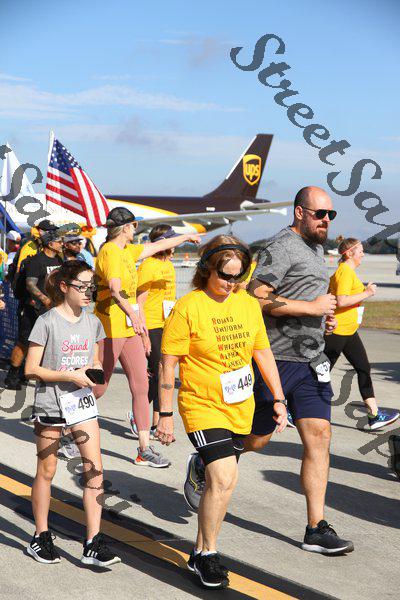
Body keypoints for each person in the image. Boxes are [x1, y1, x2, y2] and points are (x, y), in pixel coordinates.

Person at [185, 187, 355, 556]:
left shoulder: (316, 248)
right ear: (300, 212)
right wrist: (310, 309)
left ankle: (315, 527)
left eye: (331, 214)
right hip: (274, 360)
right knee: (257, 440)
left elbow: (306, 299)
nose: (326, 220)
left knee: (320, 436)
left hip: (311, 362)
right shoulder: (281, 247)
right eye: (320, 214)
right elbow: (257, 296)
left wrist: (320, 320)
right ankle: (206, 459)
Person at [157, 235, 286, 589]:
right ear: (206, 270)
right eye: (225, 276)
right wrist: (165, 413)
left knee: (221, 484)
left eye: (238, 276)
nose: (231, 283)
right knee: (225, 476)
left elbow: (262, 352)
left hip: (240, 406)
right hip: (202, 405)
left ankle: (200, 550)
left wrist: (279, 398)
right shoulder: (188, 307)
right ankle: (210, 554)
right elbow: (168, 364)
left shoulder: (247, 304)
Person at [24, 260, 120, 567]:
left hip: (81, 404)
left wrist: (92, 373)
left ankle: (93, 542)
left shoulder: (93, 322)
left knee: (95, 471)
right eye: (82, 287)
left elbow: (94, 360)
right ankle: (40, 535)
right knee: (47, 470)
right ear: (64, 287)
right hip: (51, 404)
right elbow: (30, 369)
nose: (88, 292)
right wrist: (69, 375)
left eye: (92, 287)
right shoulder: (47, 321)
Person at [93, 207, 202, 467]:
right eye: (134, 226)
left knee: (141, 386)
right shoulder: (110, 252)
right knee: (99, 386)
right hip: (110, 327)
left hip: (129, 327)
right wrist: (135, 316)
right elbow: (115, 289)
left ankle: (144, 449)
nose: (136, 230)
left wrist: (185, 238)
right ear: (126, 228)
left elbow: (158, 245)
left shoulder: (127, 251)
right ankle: (64, 425)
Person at [325, 236, 399, 430]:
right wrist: (367, 293)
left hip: (349, 331)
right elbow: (341, 300)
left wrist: (364, 292)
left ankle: (374, 415)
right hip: (338, 331)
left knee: (363, 368)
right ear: (350, 253)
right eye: (360, 251)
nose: (363, 254)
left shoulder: (347, 272)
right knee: (320, 372)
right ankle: (290, 408)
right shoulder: (344, 272)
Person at [4, 229, 63, 390]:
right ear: (50, 244)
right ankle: (12, 375)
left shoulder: (58, 260)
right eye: (59, 242)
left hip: (52, 309)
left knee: (46, 343)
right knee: (24, 342)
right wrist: (45, 299)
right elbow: (30, 284)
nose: (62, 244)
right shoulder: (36, 261)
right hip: (33, 308)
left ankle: (31, 372)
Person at [136, 224, 178, 439]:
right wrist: (143, 334)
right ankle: (141, 415)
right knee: (157, 372)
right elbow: (139, 302)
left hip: (167, 324)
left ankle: (153, 422)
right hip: (151, 324)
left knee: (162, 372)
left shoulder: (168, 265)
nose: (175, 245)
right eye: (172, 240)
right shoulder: (148, 265)